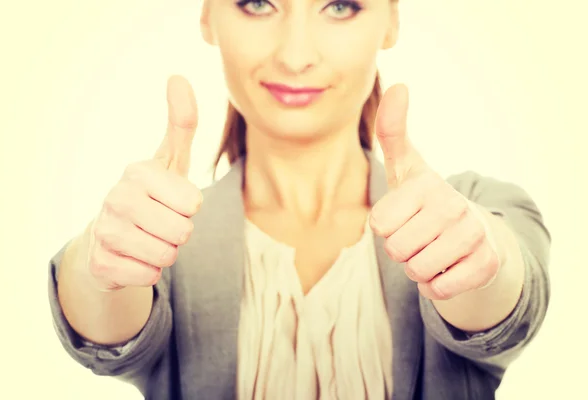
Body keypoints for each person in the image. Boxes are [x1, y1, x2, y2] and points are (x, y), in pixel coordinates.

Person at [47, 0, 551, 399]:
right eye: (257, 2)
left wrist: (483, 257)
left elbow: (507, 302)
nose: (294, 55)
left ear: (391, 19)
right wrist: (99, 265)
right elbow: (101, 331)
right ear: (207, 14)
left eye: (340, 5)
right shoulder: (164, 238)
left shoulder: (476, 206)